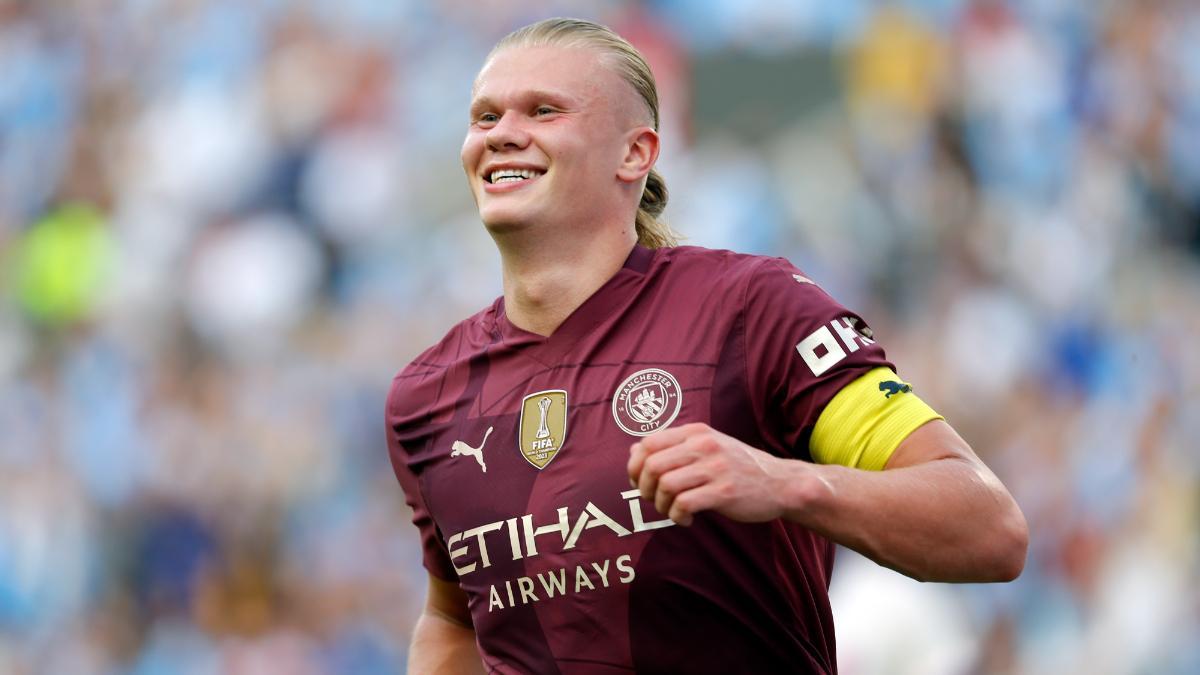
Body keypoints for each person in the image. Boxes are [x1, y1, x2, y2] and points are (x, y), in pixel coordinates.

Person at [385, 17, 1027, 674]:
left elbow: (989, 527)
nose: (501, 134)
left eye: (543, 110)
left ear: (635, 153)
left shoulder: (754, 309)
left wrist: (783, 481)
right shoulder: (426, 395)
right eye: (485, 116)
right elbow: (452, 617)